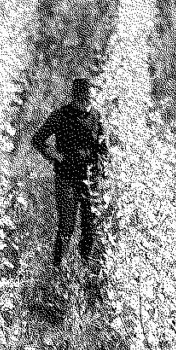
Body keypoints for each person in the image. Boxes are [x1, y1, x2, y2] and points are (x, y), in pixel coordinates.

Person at [30, 76, 108, 269]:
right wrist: (55, 155)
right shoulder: (60, 115)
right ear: (76, 96)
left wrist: (100, 161)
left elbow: (105, 148)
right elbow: (38, 139)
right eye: (85, 97)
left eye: (91, 97)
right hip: (66, 178)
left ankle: (83, 268)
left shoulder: (97, 116)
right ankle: (57, 267)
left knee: (89, 227)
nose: (89, 101)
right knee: (67, 225)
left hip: (91, 179)